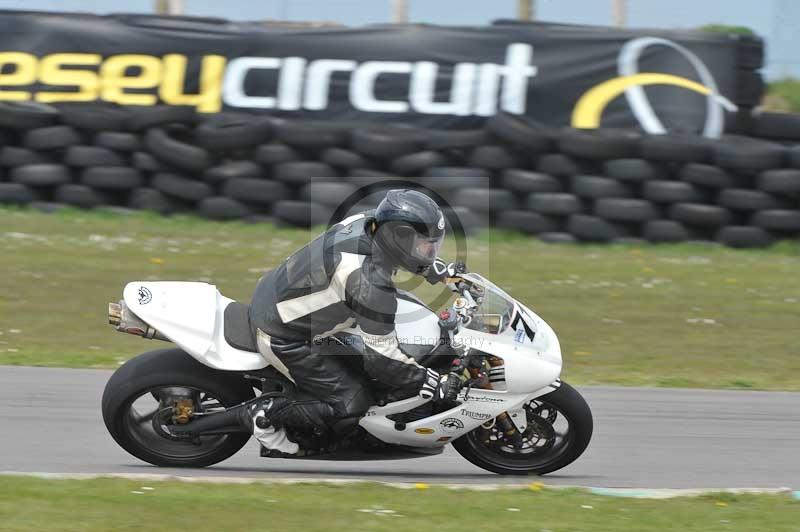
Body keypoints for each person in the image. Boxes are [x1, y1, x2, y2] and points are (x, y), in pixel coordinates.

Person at [244, 189, 465, 455]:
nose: (429, 252)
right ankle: (265, 414)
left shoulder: (370, 221)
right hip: (283, 334)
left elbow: (405, 253)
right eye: (424, 246)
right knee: (352, 402)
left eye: (433, 245)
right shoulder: (368, 283)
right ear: (398, 237)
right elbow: (381, 359)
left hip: (279, 292)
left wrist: (442, 272)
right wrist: (429, 381)